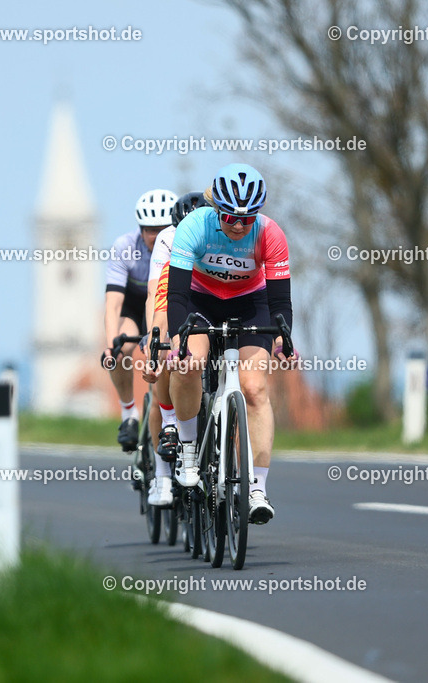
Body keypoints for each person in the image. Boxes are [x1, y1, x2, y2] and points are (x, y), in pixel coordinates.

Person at [166, 164, 293, 524]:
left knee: (254, 387)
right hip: (199, 301)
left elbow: (281, 302)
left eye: (247, 219)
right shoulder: (194, 227)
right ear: (216, 210)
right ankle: (189, 449)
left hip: (250, 303)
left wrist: (284, 337)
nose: (238, 226)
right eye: (230, 218)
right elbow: (176, 296)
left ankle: (256, 488)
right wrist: (180, 342)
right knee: (190, 363)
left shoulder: (271, 234)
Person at [142, 191, 206, 506]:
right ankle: (163, 477)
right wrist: (155, 342)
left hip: (210, 302)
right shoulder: (168, 240)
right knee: (169, 351)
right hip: (174, 301)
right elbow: (158, 295)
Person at [103, 189, 177, 450]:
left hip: (166, 306)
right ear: (140, 228)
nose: (155, 236)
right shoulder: (125, 247)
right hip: (135, 307)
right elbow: (113, 303)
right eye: (149, 230)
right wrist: (111, 344)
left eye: (162, 228)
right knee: (121, 348)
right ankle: (129, 414)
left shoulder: (180, 245)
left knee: (171, 358)